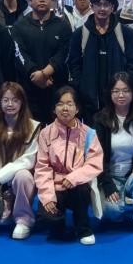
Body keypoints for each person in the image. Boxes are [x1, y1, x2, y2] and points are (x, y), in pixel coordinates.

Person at [34, 86, 104, 245]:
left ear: (77, 108)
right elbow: (42, 167)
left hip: (77, 185)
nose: (65, 108)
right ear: (54, 109)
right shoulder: (45, 133)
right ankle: (59, 224)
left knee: (82, 190)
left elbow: (94, 163)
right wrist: (47, 196)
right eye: (60, 104)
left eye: (69, 104)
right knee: (47, 220)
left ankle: (83, 228)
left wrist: (74, 177)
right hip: (54, 186)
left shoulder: (88, 133)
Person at [94, 73, 133, 235]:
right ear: (110, 93)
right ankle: (119, 199)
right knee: (112, 213)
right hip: (109, 175)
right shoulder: (100, 119)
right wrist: (107, 184)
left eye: (125, 90)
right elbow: (95, 156)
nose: (121, 95)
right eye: (116, 91)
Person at [67, 0, 133, 116]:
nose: (102, 8)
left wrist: (126, 87)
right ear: (92, 6)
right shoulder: (80, 34)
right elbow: (74, 64)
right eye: (98, 4)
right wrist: (81, 86)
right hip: (89, 104)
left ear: (112, 7)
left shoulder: (126, 34)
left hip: (119, 103)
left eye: (106, 4)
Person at [0, 83, 41, 239]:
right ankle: (9, 207)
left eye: (15, 100)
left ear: (22, 103)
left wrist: (0, 177)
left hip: (22, 182)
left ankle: (24, 220)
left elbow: (28, 160)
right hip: (1, 186)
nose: (10, 104)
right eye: (5, 100)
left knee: (23, 175)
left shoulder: (33, 127)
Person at [12, 0, 72, 123]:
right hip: (28, 89)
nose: (42, 0)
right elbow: (19, 53)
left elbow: (64, 52)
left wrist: (45, 73)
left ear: (52, 0)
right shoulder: (19, 26)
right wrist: (35, 73)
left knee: (57, 131)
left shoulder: (62, 25)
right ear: (30, 0)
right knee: (30, 131)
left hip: (56, 88)